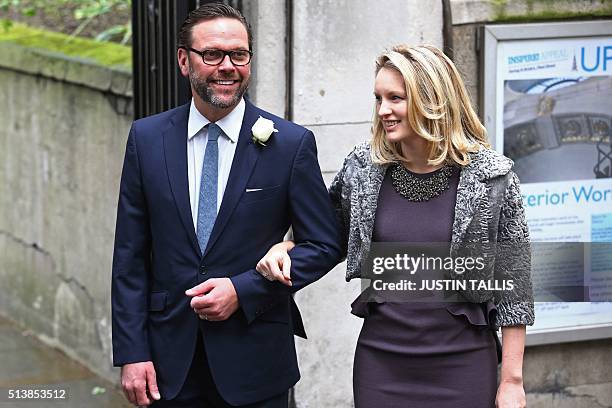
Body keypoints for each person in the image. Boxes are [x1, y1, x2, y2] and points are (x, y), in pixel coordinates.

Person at [256, 44, 534, 408]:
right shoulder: (363, 169)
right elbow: (327, 237)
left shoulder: (492, 178)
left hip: (463, 362)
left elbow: (514, 290)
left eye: (395, 98)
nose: (383, 110)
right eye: (378, 98)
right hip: (381, 360)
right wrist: (285, 246)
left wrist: (512, 381)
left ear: (432, 100)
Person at [111, 4, 341, 407]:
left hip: (257, 362)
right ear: (185, 61)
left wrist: (244, 289)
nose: (228, 67)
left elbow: (324, 244)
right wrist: (132, 352)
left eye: (239, 54)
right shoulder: (146, 140)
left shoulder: (289, 144)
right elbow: (129, 257)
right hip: (168, 363)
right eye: (213, 54)